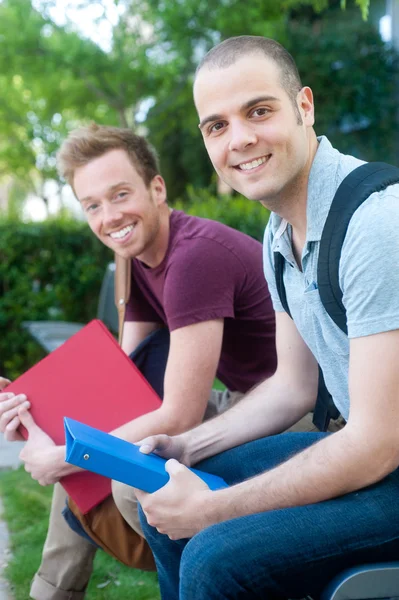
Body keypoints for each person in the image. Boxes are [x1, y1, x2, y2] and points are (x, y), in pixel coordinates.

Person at [134, 35, 399, 600]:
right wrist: (188, 448)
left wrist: (210, 510)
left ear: (304, 106)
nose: (241, 139)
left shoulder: (376, 226)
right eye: (217, 126)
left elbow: (378, 442)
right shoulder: (278, 234)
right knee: (161, 492)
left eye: (258, 111)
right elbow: (292, 387)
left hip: (387, 460)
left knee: (213, 555)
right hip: (375, 455)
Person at [0, 123, 278, 600]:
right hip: (238, 399)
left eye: (120, 194)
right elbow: (120, 380)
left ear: (156, 188)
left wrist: (65, 456)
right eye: (92, 205)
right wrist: (33, 410)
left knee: (107, 463)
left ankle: (56, 592)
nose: (109, 216)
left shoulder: (194, 259)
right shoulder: (138, 257)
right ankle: (51, 593)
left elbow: (179, 417)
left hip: (285, 414)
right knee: (80, 430)